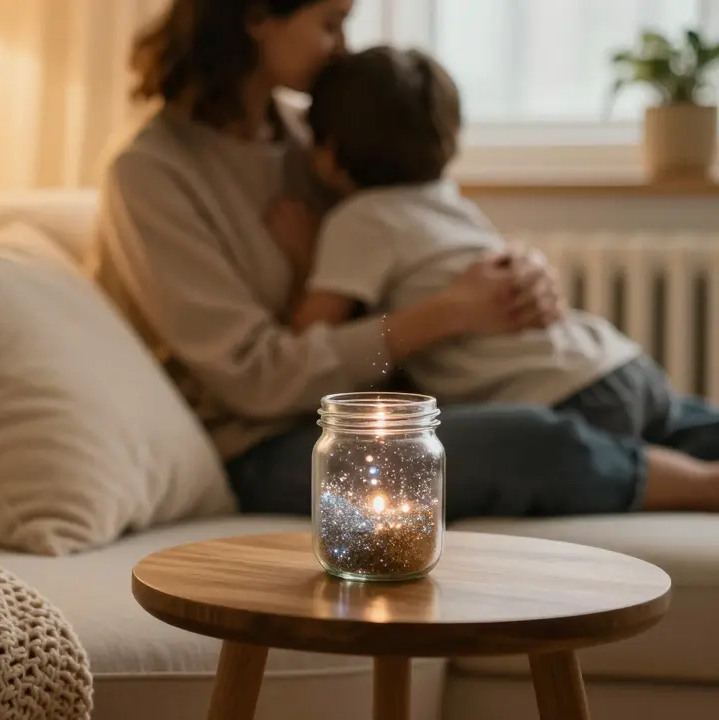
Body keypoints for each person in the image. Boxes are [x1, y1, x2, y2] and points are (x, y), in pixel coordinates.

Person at [87, 0, 719, 521]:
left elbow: (422, 235)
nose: (343, 49)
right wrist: (445, 315)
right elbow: (257, 380)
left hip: (403, 397)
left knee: (677, 414)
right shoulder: (152, 176)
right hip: (272, 442)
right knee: (532, 439)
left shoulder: (313, 141)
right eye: (330, 23)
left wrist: (520, 276)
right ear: (256, 14)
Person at [294, 45, 719, 458]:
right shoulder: (447, 200)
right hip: (618, 363)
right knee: (684, 430)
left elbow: (310, 336)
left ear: (329, 152)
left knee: (607, 460)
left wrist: (298, 249)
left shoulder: (356, 221)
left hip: (564, 393)